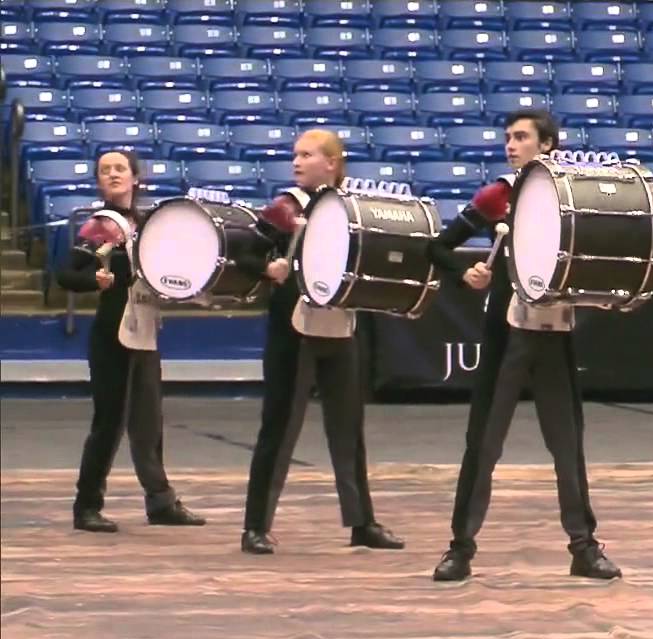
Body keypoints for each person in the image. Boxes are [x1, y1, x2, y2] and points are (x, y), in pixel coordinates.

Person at [236, 129, 485, 554]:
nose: (296, 162)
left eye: (307, 155)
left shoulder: (354, 208)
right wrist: (268, 269)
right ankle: (255, 526)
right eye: (295, 155)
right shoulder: (284, 208)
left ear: (332, 163)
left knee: (348, 430)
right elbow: (243, 253)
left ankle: (361, 522)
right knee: (279, 429)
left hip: (342, 327)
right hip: (292, 332)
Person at [429, 109, 620, 582]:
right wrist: (465, 272)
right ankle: (460, 548)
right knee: (483, 445)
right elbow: (437, 247)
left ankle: (584, 548)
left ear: (548, 144)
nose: (510, 145)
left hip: (554, 332)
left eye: (520, 137)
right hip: (506, 333)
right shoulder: (498, 194)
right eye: (507, 138)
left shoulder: (572, 195)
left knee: (567, 445)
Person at [56, 149, 206, 533]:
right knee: (108, 424)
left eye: (120, 168)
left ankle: (160, 501)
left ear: (136, 178)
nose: (113, 175)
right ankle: (86, 506)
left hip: (144, 330)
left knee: (148, 421)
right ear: (99, 182)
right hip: (112, 335)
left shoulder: (147, 224)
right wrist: (95, 280)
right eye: (105, 171)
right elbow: (66, 275)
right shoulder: (101, 226)